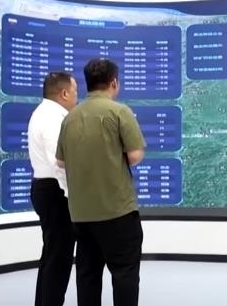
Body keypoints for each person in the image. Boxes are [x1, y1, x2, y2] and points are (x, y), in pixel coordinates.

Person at [56, 58, 147, 306]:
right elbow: (135, 154)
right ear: (114, 83)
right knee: (125, 274)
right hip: (117, 211)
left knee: (88, 276)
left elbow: (61, 161)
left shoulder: (70, 117)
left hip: (81, 215)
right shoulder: (119, 112)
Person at [28, 71, 78, 306]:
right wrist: (72, 195)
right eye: (75, 91)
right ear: (64, 93)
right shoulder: (52, 118)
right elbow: (59, 163)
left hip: (47, 189)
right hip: (55, 191)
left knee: (52, 256)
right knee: (59, 260)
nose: (77, 96)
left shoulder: (44, 113)